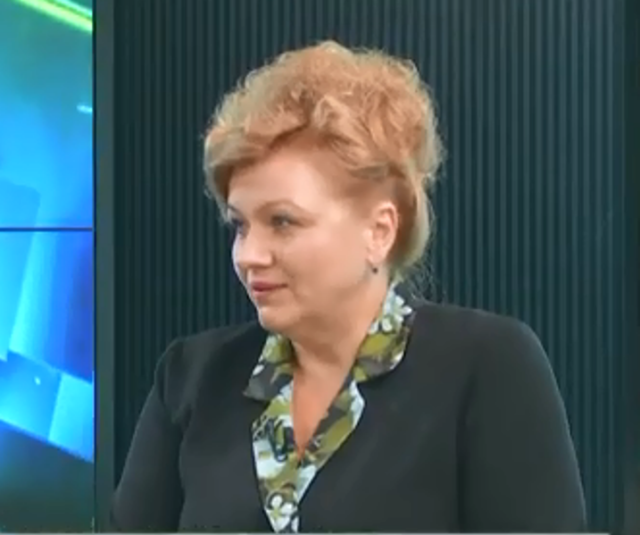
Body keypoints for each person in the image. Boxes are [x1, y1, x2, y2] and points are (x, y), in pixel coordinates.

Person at [111, 41, 586, 533]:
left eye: (282, 222)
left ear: (379, 232)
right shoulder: (191, 378)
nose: (249, 254)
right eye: (240, 225)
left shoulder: (486, 366)